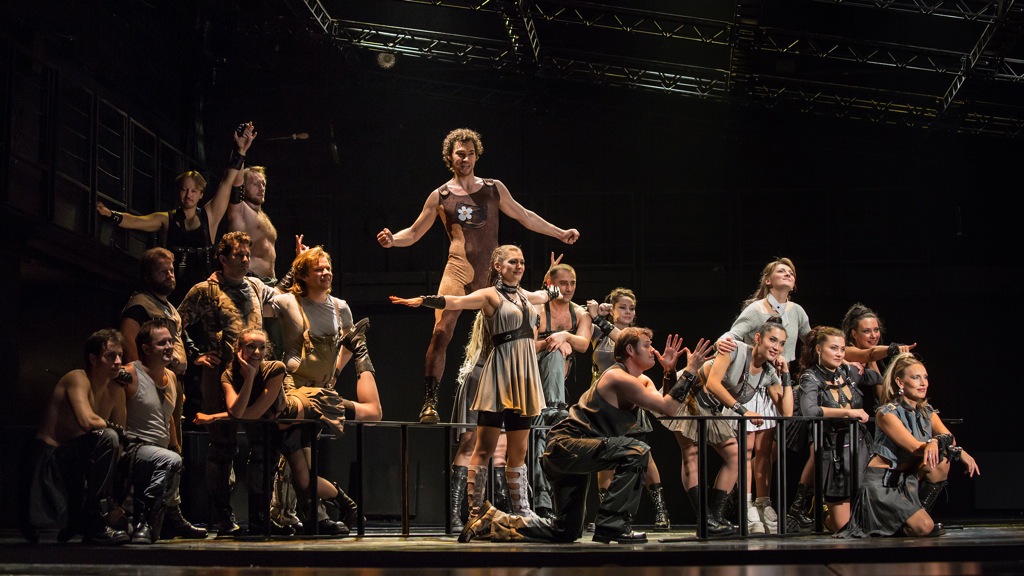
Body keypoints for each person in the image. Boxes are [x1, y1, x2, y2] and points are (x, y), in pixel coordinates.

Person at [377, 128, 580, 424]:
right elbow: (415, 231)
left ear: (477, 155)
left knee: (510, 333)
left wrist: (560, 233)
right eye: (460, 154)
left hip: (492, 271)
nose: (466, 159)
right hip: (458, 269)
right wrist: (393, 240)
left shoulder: (493, 188)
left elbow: (524, 215)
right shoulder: (440, 196)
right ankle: (430, 401)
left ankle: (517, 397)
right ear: (450, 157)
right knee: (441, 331)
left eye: (471, 154)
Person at [458, 329, 699, 544]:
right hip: (567, 445)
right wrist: (689, 371)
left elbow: (666, 407)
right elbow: (669, 407)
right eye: (646, 345)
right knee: (637, 451)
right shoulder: (617, 377)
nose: (653, 350)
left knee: (565, 531)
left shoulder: (641, 381)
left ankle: (492, 521)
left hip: (576, 449)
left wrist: (669, 372)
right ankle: (613, 526)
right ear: (629, 350)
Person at [391, 244, 558, 521]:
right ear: (498, 266)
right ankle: (475, 513)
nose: (519, 266)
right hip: (500, 374)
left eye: (522, 262)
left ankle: (522, 512)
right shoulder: (489, 295)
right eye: (513, 262)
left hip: (525, 377)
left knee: (519, 451)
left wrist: (552, 281)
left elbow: (547, 294)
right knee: (484, 448)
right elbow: (456, 301)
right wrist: (424, 300)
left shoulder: (525, 296)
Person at [195, 327, 374, 536]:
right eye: (250, 346)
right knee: (304, 481)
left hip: (309, 407)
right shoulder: (229, 375)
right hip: (287, 429)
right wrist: (247, 379)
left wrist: (216, 415)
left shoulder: (275, 369)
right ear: (238, 349)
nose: (257, 352)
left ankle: (359, 349)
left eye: (262, 347)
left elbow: (253, 414)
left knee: (373, 412)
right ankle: (350, 507)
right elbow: (237, 411)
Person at [268, 245, 382, 534]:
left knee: (303, 471)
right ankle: (326, 513)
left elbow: (347, 345)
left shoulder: (340, 307)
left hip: (321, 392)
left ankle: (320, 516)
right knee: (300, 471)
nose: (326, 272)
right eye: (318, 268)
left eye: (328, 267)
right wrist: (291, 267)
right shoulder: (288, 302)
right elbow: (262, 306)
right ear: (303, 275)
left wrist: (335, 374)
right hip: (294, 391)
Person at [177, 230, 278, 536]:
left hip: (256, 375)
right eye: (238, 255)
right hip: (221, 374)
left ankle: (260, 515)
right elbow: (176, 321)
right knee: (222, 446)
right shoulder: (206, 290)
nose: (245, 260)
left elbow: (283, 293)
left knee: (263, 444)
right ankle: (223, 516)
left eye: (247, 255)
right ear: (222, 258)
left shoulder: (254, 286)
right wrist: (195, 353)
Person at [96, 123, 256, 301]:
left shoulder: (209, 215)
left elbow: (227, 181)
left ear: (201, 194)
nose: (188, 195)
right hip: (174, 291)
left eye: (193, 191)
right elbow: (136, 221)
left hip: (205, 292)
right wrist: (111, 214)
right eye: (184, 190)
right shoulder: (166, 219)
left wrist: (240, 151)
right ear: (178, 192)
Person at [665, 316, 790, 536]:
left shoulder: (769, 372)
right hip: (689, 397)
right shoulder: (734, 349)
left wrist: (786, 374)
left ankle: (715, 517)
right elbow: (713, 384)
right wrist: (743, 411)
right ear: (758, 338)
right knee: (692, 453)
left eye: (781, 344)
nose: (776, 347)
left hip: (712, 408)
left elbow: (787, 411)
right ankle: (705, 519)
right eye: (772, 340)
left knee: (736, 456)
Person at [116, 247, 207, 539]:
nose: (169, 275)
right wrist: (144, 378)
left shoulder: (168, 307)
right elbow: (129, 340)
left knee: (172, 446)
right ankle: (141, 515)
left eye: (171, 270)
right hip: (148, 382)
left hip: (169, 381)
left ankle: (170, 512)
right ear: (148, 276)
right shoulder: (140, 305)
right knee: (153, 447)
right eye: (161, 271)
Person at [838, 353, 979, 538]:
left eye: (925, 377)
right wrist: (935, 443)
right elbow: (915, 448)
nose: (923, 383)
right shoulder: (886, 413)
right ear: (900, 382)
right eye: (916, 377)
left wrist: (956, 451)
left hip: (907, 480)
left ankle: (915, 517)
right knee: (924, 527)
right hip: (885, 485)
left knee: (941, 463)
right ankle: (907, 524)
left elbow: (949, 438)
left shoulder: (926, 411)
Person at [720, 257, 809, 534]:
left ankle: (763, 502)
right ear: (768, 280)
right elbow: (732, 336)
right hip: (753, 380)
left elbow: (813, 341)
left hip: (778, 380)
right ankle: (746, 504)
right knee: (747, 450)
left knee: (768, 451)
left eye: (791, 271)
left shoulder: (796, 311)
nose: (788, 274)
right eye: (781, 270)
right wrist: (724, 343)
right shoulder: (755, 309)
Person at [26, 329, 131, 545]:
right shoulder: (77, 378)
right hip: (52, 458)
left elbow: (120, 440)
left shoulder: (116, 390)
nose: (118, 362)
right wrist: (113, 429)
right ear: (93, 358)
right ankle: (93, 521)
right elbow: (86, 421)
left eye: (120, 355)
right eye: (111, 356)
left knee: (123, 448)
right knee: (108, 436)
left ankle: (99, 513)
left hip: (81, 459)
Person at [587, 287, 671, 531]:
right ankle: (605, 514)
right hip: (603, 403)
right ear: (612, 309)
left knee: (644, 455)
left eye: (631, 308)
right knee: (604, 459)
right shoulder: (597, 331)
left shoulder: (634, 337)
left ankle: (661, 511)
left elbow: (620, 338)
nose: (627, 312)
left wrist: (600, 317)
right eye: (622, 307)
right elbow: (579, 320)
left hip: (630, 400)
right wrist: (594, 310)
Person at [531, 260, 593, 520]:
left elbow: (584, 344)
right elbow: (526, 346)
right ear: (550, 284)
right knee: (538, 440)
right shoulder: (539, 309)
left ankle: (552, 504)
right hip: (532, 385)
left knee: (552, 442)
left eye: (572, 283)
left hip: (556, 387)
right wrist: (552, 342)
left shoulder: (579, 314)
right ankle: (541, 501)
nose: (568, 288)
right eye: (562, 283)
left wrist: (564, 336)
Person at [796, 326, 874, 533]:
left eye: (842, 349)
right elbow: (809, 411)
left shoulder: (848, 372)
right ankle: (820, 513)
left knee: (867, 522)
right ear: (819, 349)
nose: (839, 353)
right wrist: (847, 412)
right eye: (833, 348)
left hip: (860, 445)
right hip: (834, 451)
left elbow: (877, 378)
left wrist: (865, 362)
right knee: (842, 526)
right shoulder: (810, 377)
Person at [120, 319, 188, 543]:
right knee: (169, 460)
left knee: (173, 459)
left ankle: (166, 519)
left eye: (170, 341)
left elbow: (168, 417)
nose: (169, 347)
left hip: (159, 450)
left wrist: (175, 446)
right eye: (162, 343)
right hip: (134, 447)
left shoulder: (171, 377)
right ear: (146, 349)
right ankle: (144, 521)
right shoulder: (129, 375)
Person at [449, 312, 511, 530]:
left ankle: (504, 511)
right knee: (470, 443)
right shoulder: (491, 315)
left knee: (500, 451)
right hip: (480, 374)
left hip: (504, 375)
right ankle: (456, 513)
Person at [226, 164, 280, 283]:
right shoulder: (240, 210)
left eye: (263, 184)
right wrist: (240, 154)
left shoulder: (262, 215)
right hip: (250, 281)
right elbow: (235, 181)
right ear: (244, 187)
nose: (261, 188)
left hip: (270, 283)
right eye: (255, 184)